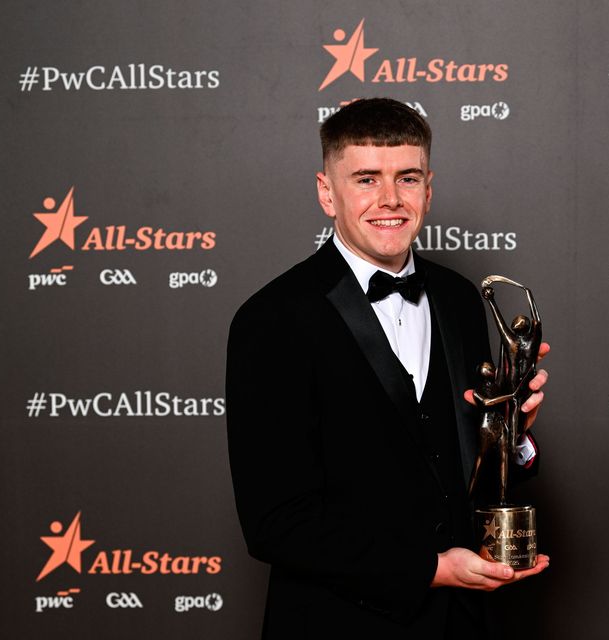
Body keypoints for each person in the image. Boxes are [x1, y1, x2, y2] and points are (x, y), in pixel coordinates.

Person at [226, 97, 549, 639]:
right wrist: (429, 569)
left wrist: (510, 437)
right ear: (327, 192)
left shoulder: (460, 298)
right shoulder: (272, 318)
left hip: (462, 627)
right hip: (336, 626)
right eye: (366, 179)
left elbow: (460, 468)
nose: (390, 200)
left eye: (407, 178)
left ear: (429, 188)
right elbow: (274, 524)